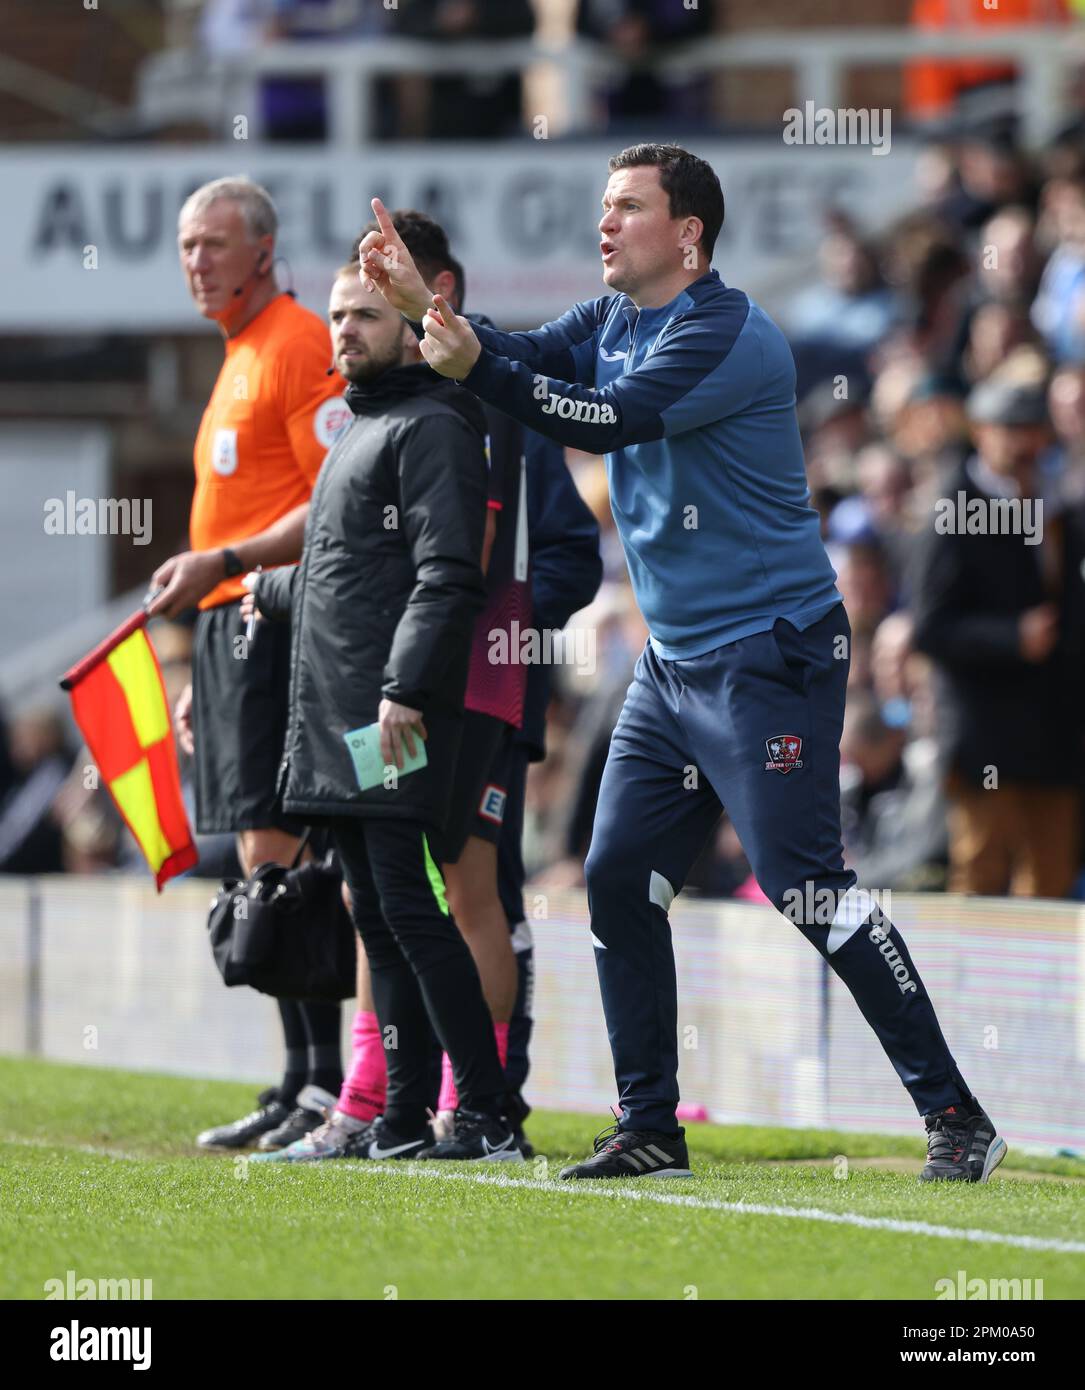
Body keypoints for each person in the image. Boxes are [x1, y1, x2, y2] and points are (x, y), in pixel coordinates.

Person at [359, 142, 1008, 1183]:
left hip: (769, 656)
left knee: (804, 887)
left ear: (687, 234)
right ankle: (650, 1124)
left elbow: (605, 420)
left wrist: (471, 358)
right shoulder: (616, 315)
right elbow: (521, 351)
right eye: (603, 205)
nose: (602, 223)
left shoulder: (728, 333)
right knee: (617, 879)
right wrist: (421, 309)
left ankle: (956, 1118)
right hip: (673, 666)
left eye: (625, 207)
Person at [247, 259, 522, 1163]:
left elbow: (449, 576)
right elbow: (347, 578)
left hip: (387, 716)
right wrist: (267, 589)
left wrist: (404, 689)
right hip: (340, 716)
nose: (344, 329)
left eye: (365, 314)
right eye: (335, 315)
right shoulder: (364, 428)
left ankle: (483, 1114)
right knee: (377, 912)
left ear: (413, 328)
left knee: (408, 905)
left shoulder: (436, 424)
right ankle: (403, 1116)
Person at [148, 176, 349, 1151]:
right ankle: (296, 1077)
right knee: (253, 856)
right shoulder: (236, 354)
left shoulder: (299, 342)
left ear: (263, 251)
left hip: (273, 621)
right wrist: (199, 671)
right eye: (187, 246)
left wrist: (226, 570)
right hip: (231, 633)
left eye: (214, 244)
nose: (197, 261)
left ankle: (323, 1083)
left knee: (284, 859)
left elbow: (333, 502)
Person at [911, 376, 1085, 896]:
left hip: (1057, 735)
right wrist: (1011, 637)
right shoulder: (953, 508)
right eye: (1011, 429)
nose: (1025, 441)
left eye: (1033, 428)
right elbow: (929, 627)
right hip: (986, 737)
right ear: (981, 431)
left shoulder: (1062, 505)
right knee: (981, 879)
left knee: (1050, 882)